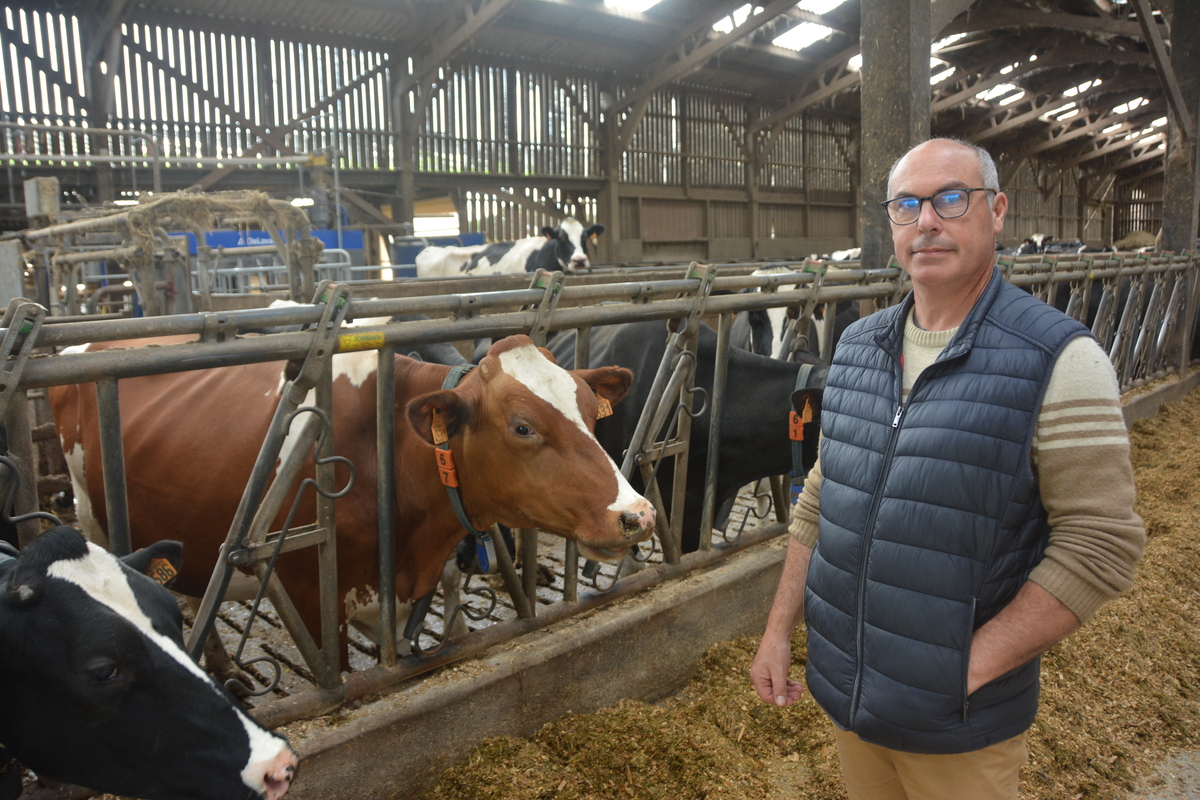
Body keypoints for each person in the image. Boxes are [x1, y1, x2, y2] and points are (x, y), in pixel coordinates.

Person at [749, 137, 1146, 800]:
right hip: (849, 700)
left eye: (949, 199)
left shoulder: (1058, 358)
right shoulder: (855, 346)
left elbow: (1102, 543)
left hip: (959, 725)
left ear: (996, 212)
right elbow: (822, 494)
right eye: (907, 205)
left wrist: (963, 669)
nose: (926, 220)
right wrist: (777, 630)